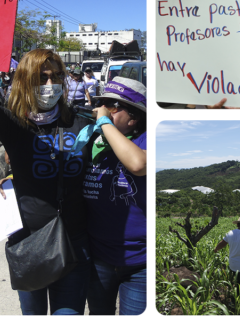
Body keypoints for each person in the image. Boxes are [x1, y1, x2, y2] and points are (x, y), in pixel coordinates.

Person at [0, 48, 93, 315]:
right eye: (42, 77)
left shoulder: (81, 121)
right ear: (26, 81)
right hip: (29, 246)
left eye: (56, 76)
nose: (50, 85)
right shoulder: (13, 124)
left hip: (75, 245)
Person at [76, 77, 148, 316]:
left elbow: (137, 164)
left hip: (140, 262)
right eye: (103, 104)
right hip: (99, 257)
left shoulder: (145, 140)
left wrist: (105, 122)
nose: (103, 110)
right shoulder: (92, 141)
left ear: (134, 117)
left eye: (113, 106)